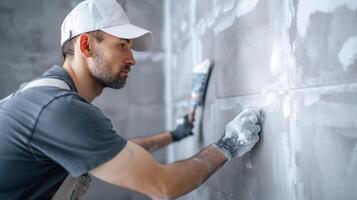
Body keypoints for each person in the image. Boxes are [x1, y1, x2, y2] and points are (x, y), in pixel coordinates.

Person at [0, 0, 262, 199]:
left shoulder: (41, 94)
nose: (132, 58)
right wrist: (228, 145)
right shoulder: (60, 110)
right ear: (86, 46)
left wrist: (174, 135)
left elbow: (112, 151)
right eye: (121, 45)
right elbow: (163, 185)